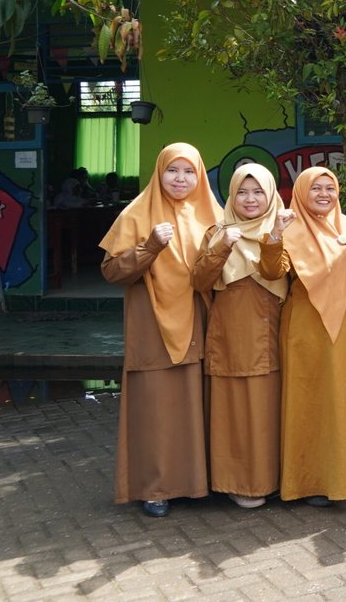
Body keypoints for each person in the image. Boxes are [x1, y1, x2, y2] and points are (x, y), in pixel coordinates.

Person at [100, 142, 221, 518]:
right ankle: (156, 489)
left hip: (199, 321)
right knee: (155, 406)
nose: (180, 179)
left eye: (189, 172)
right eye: (172, 170)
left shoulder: (211, 212)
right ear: (159, 172)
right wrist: (149, 246)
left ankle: (197, 483)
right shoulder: (137, 213)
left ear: (200, 176)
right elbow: (111, 271)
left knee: (196, 402)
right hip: (152, 323)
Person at [191, 162, 292, 509]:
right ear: (231, 196)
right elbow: (200, 281)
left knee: (269, 409)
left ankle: (272, 479)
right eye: (242, 192)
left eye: (258, 192)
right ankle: (237, 482)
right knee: (234, 409)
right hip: (232, 333)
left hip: (274, 330)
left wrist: (275, 236)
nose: (250, 199)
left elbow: (274, 272)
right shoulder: (217, 232)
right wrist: (222, 246)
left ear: (271, 195)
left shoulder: (283, 226)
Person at [279, 166, 346, 506]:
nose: (324, 194)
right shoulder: (288, 228)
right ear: (300, 192)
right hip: (309, 330)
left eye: (330, 188)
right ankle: (313, 481)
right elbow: (273, 271)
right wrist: (273, 239)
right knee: (313, 402)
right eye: (315, 188)